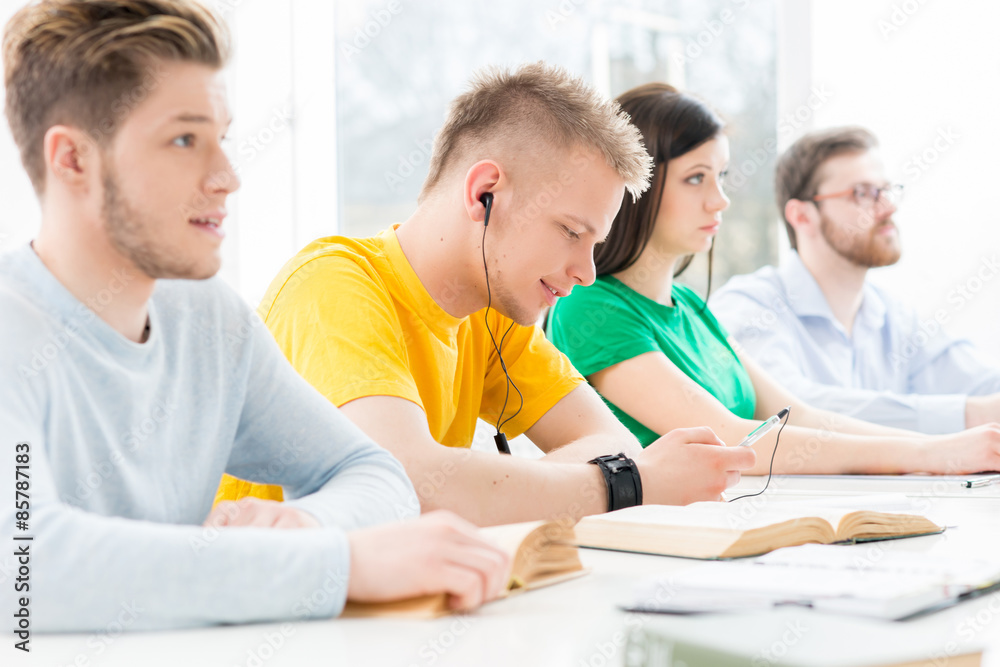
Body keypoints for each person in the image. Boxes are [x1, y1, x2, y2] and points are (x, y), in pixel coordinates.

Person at [0, 0, 509, 633]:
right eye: (185, 139)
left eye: (224, 138)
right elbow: (24, 565)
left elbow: (372, 472)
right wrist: (337, 563)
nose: (227, 177)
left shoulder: (209, 321)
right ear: (71, 159)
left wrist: (308, 526)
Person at [218, 63, 757, 524]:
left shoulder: (495, 311)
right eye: (571, 232)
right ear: (485, 193)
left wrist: (490, 494)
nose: (588, 271)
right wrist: (626, 486)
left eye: (596, 242)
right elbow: (404, 485)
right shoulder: (334, 284)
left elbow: (613, 444)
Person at [547, 83, 1000, 475]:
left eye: (721, 176)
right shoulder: (592, 306)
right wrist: (930, 452)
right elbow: (733, 438)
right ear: (635, 187)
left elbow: (799, 416)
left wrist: (943, 449)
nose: (720, 200)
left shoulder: (693, 309)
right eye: (696, 178)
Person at [710, 126, 1000, 434]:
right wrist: (971, 415)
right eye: (862, 194)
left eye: (886, 191)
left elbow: (982, 383)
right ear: (803, 216)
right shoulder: (749, 306)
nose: (888, 207)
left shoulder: (896, 318)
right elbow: (791, 411)